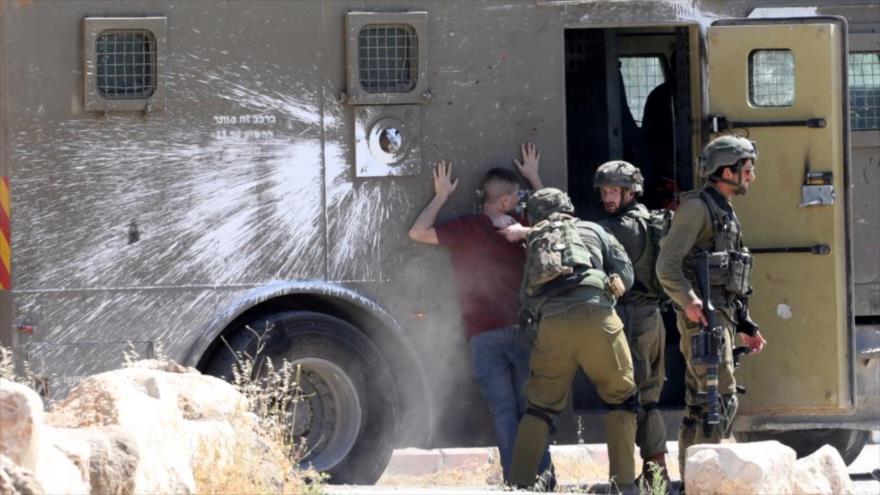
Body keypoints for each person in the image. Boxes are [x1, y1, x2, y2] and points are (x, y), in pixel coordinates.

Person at [407, 144, 552, 485]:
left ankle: (516, 480)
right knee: (532, 410)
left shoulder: (466, 228)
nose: (520, 201)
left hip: (483, 337)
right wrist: (534, 175)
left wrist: (441, 195)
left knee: (503, 412)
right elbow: (558, 225)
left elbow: (417, 232)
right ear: (504, 201)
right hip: (523, 332)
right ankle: (543, 477)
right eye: (517, 196)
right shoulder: (521, 228)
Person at [508, 188, 640, 493]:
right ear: (570, 209)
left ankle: (520, 483)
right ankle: (623, 485)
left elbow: (526, 301)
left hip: (551, 325)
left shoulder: (537, 241)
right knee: (622, 399)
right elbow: (626, 274)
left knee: (539, 407)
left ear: (535, 216)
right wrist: (609, 296)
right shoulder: (595, 229)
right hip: (598, 316)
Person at [655, 135, 767, 479]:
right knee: (716, 402)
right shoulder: (697, 208)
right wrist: (688, 300)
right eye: (746, 170)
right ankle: (704, 480)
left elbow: (734, 272)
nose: (751, 176)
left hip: (722, 318)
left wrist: (746, 325)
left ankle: (694, 480)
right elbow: (666, 265)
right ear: (726, 170)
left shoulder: (722, 208)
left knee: (703, 403)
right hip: (704, 319)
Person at [593, 160, 670, 483]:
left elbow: (582, 234)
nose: (607, 197)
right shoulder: (647, 220)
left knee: (632, 396)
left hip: (634, 318)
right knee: (647, 396)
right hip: (650, 317)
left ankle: (652, 476)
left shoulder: (623, 227)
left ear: (630, 192)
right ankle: (656, 474)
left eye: (614, 191)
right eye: (604, 191)